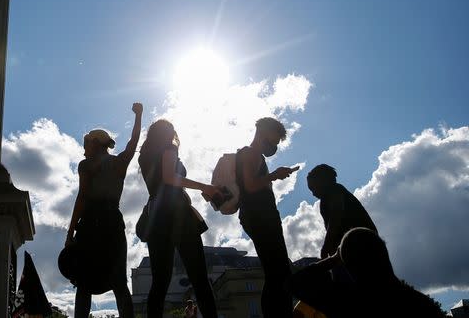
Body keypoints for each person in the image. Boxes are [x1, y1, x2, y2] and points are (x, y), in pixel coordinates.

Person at [65, 103, 143, 318]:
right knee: (119, 282)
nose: (84, 149)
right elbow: (133, 143)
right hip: (112, 222)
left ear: (95, 143)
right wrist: (139, 116)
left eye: (86, 144)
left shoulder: (86, 165)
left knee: (84, 282)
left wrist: (70, 232)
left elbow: (81, 198)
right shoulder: (119, 163)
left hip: (91, 223)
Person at [138, 119, 222, 318]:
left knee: (160, 282)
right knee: (199, 278)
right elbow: (169, 178)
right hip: (178, 215)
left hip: (156, 217)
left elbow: (160, 182)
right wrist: (205, 187)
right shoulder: (169, 148)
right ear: (168, 134)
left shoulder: (145, 156)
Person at [290, 227, 446, 317]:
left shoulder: (350, 303)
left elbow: (296, 283)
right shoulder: (420, 304)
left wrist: (334, 259)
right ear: (384, 253)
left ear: (349, 265)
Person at [235, 117, 299, 318]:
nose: (274, 146)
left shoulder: (256, 156)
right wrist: (274, 175)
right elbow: (250, 186)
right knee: (278, 273)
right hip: (259, 216)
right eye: (274, 140)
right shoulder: (250, 153)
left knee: (277, 272)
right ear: (262, 132)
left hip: (260, 215)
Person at [306, 164, 378, 259]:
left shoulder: (335, 190)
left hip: (362, 243)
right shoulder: (325, 201)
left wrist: (326, 247)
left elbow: (336, 216)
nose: (313, 193)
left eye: (314, 187)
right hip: (350, 246)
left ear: (324, 181)